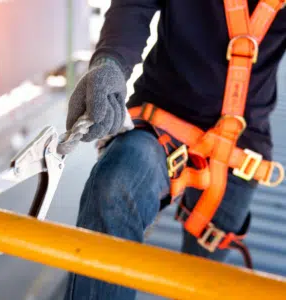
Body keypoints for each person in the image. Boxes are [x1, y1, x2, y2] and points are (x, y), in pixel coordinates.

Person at [63, 1, 286, 299]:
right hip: (162, 116)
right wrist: (110, 64)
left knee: (201, 281)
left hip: (242, 147)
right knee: (115, 185)